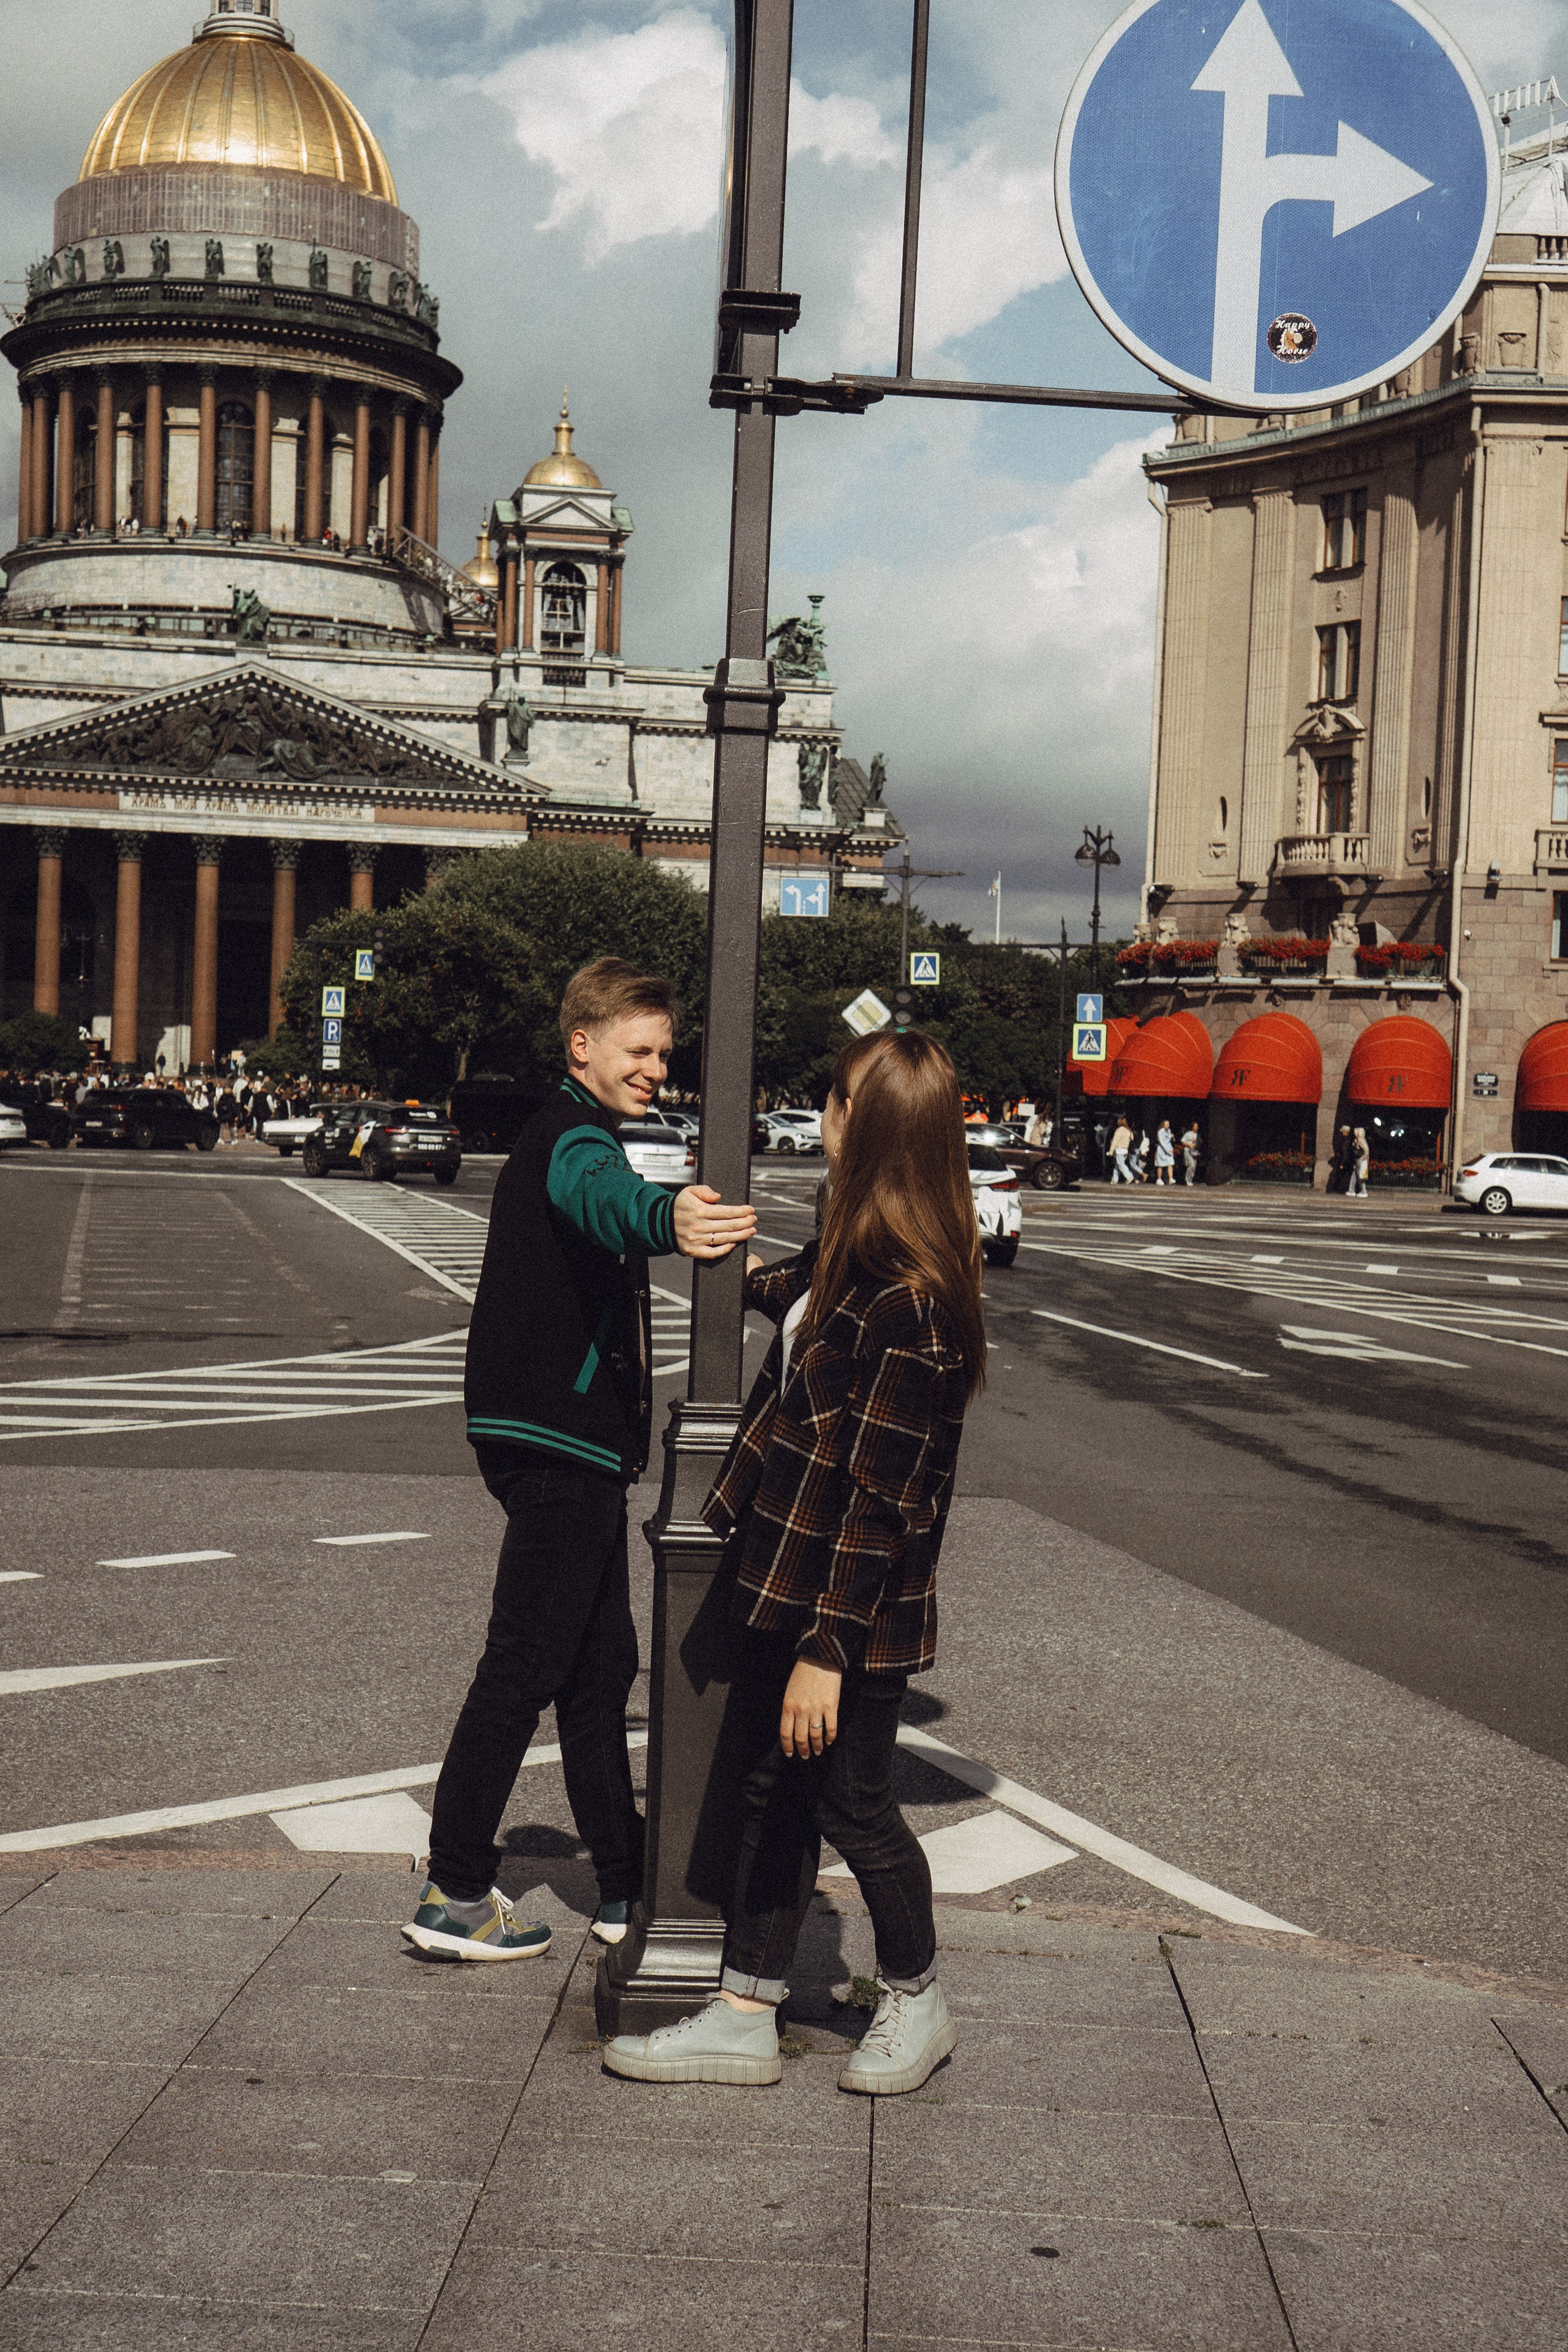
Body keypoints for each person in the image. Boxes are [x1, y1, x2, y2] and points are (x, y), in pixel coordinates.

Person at [603, 1028, 986, 2095]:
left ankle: (918, 1997)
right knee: (772, 1792)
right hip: (790, 1583)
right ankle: (744, 2008)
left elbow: (879, 1501)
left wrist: (828, 1648)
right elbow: (798, 1300)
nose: (817, 1119)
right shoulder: (847, 1264)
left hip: (848, 1610)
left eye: (833, 1103)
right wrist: (724, 1256)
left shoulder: (912, 1304)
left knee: (853, 1803)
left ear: (870, 1133)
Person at [404, 959, 756, 1964]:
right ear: (582, 1046)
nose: (656, 1069)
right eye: (638, 1051)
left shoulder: (578, 1130)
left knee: (598, 1670)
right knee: (524, 1663)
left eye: (664, 1054)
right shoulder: (571, 1138)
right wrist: (667, 1220)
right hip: (560, 1441)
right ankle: (457, 1889)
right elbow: (608, 1204)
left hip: (573, 1445)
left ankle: (622, 1882)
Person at [1109, 1115, 1134, 1183]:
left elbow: (1115, 1141)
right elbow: (1132, 1138)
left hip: (1119, 1150)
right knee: (1118, 1165)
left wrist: (1111, 1151)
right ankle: (1114, 1180)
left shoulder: (1119, 1130)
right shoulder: (1128, 1130)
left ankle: (1129, 1177)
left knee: (1121, 1165)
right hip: (1125, 1150)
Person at [1154, 1118, 1175, 1187]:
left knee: (1170, 1164)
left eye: (1168, 1124)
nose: (1168, 1125)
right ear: (1163, 1125)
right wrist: (1167, 1150)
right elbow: (1162, 1142)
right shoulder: (1161, 1132)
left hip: (1169, 1149)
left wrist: (1172, 1137)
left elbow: (1170, 1141)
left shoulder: (1169, 1131)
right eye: (1166, 1124)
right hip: (1162, 1150)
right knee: (1161, 1165)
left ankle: (1171, 1178)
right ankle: (1159, 1179)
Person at [1351, 1126, 1371, 1198]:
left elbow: (1366, 1148)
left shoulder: (1360, 1140)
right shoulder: (1362, 1139)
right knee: (1359, 1174)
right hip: (1362, 1159)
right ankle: (1352, 1189)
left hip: (1361, 1159)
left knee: (1361, 1175)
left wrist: (1366, 1156)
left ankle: (1364, 1191)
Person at [1181, 1118, 1200, 1188]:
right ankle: (1187, 1180)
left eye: (1197, 1126)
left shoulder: (1198, 1135)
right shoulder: (1188, 1134)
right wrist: (1189, 1145)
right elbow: (1183, 1142)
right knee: (1191, 1165)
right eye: (1196, 1126)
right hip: (1188, 1151)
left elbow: (1200, 1143)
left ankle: (1191, 1179)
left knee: (1194, 1166)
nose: (1197, 1128)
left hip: (1195, 1152)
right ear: (1192, 1127)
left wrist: (1196, 1145)